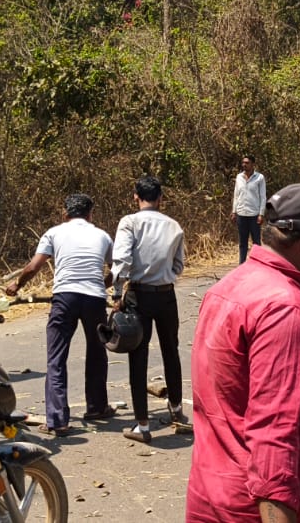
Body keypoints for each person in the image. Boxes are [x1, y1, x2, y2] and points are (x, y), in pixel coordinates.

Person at [187, 183, 300, 523]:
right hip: (277, 510)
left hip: (213, 496)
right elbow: (273, 433)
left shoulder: (228, 288)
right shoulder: (287, 311)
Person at [8, 193, 115, 436]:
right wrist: (104, 285)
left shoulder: (54, 233)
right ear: (90, 214)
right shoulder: (102, 235)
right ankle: (97, 407)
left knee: (56, 357)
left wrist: (17, 285)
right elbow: (117, 268)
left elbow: (33, 266)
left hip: (64, 297)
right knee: (97, 352)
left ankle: (57, 419)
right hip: (94, 298)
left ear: (64, 214)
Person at [112, 176, 190, 444]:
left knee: (138, 355)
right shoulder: (174, 225)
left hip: (138, 294)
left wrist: (116, 292)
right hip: (166, 295)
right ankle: (177, 409)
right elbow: (180, 264)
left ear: (136, 197)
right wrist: (166, 274)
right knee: (171, 350)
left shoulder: (130, 222)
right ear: (160, 198)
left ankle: (142, 425)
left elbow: (121, 259)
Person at [232, 155, 266, 263]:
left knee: (256, 242)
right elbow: (236, 195)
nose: (244, 165)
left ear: (253, 164)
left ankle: (259, 264)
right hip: (241, 214)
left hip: (254, 215)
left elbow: (263, 196)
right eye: (243, 163)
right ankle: (241, 264)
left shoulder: (259, 178)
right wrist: (234, 211)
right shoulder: (239, 177)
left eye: (247, 163)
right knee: (243, 242)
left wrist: (261, 214)